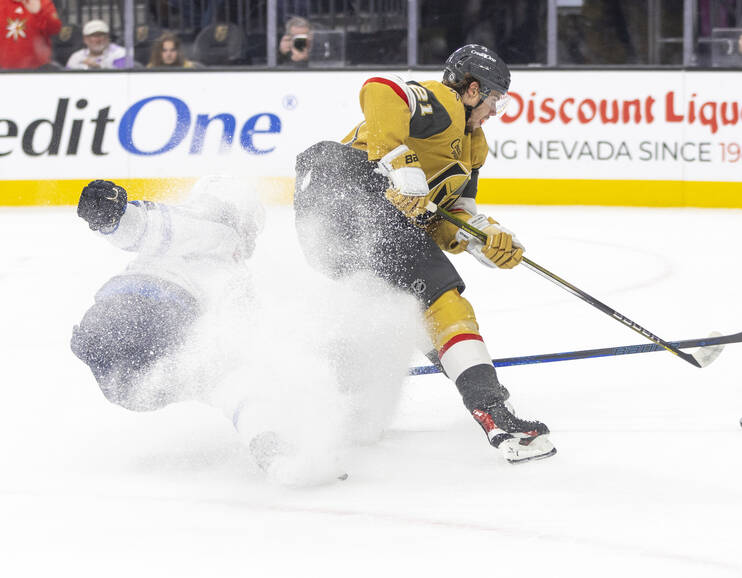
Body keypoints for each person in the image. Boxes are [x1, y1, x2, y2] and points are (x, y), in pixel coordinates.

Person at [291, 44, 556, 464]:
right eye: (493, 101)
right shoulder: (444, 104)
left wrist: (483, 237)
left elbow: (449, 216)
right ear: (472, 90)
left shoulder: (474, 148)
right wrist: (401, 161)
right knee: (441, 295)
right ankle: (493, 410)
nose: (493, 111)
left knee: (401, 307)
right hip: (344, 187)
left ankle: (336, 408)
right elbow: (380, 90)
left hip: (339, 221)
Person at [69, 177, 352, 486]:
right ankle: (273, 454)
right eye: (251, 225)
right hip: (146, 316)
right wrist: (116, 219)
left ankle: (275, 452)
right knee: (236, 379)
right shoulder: (213, 226)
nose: (251, 238)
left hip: (117, 357)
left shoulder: (229, 270)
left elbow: (243, 336)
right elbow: (156, 228)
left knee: (225, 375)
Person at [0, 0, 62, 70]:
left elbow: (55, 30)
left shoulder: (45, 4)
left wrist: (38, 12)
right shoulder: (2, 4)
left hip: (37, 68)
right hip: (4, 69)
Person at [66, 19, 130, 70]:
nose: (98, 40)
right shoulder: (76, 57)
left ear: (108, 37)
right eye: (94, 36)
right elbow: (66, 78)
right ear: (85, 39)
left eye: (101, 35)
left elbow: (122, 77)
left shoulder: (120, 54)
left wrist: (98, 68)